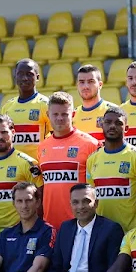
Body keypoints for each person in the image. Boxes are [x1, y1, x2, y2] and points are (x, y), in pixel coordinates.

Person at [37, 91, 99, 229]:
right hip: (49, 225)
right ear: (48, 115)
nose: (60, 118)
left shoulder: (90, 144)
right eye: (55, 114)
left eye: (64, 114)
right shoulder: (42, 147)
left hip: (81, 225)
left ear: (73, 114)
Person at [85, 105, 136, 232]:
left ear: (126, 128)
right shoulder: (92, 159)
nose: (112, 126)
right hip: (101, 233)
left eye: (118, 123)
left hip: (131, 232)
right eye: (108, 122)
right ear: (101, 125)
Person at [0, 114, 42, 233]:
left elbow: (39, 202)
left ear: (13, 132)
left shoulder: (27, 163)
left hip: (19, 234)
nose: (0, 137)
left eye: (4, 132)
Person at [0, 59, 50, 160]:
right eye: (20, 74)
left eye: (29, 74)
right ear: (15, 77)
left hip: (37, 168)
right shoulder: (7, 107)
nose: (25, 78)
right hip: (13, 168)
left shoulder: (45, 105)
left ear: (37, 77)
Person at [72, 63, 107, 141]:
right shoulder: (72, 116)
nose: (86, 86)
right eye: (81, 82)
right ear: (77, 85)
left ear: (100, 85)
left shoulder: (111, 112)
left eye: (91, 81)